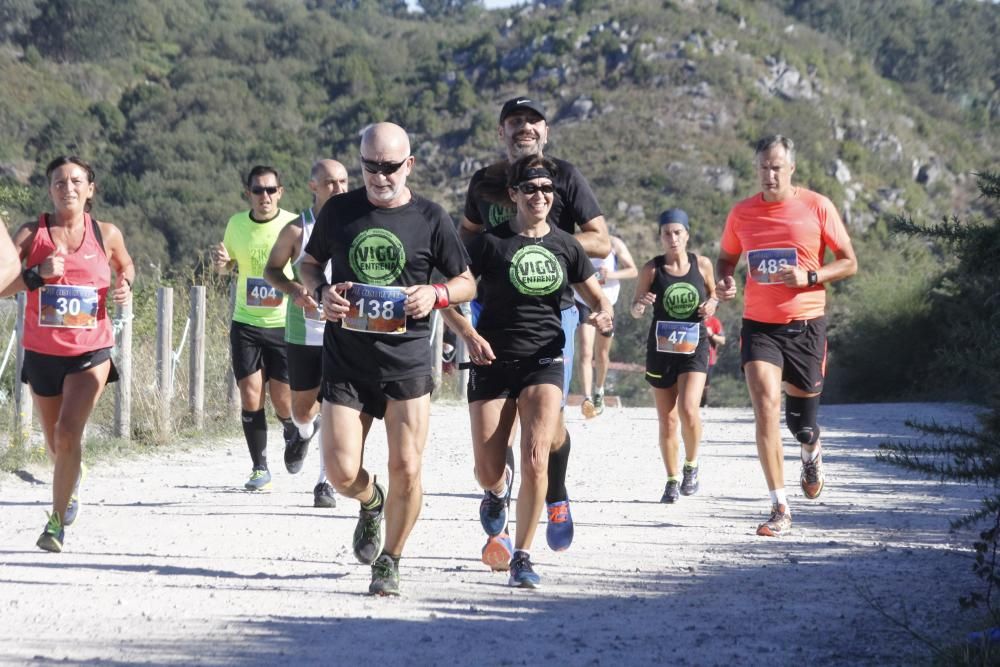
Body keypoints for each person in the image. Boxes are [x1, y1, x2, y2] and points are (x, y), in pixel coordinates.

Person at [299, 122, 475, 596]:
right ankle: (371, 502)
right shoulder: (340, 211)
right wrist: (321, 291)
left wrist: (435, 294)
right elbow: (308, 264)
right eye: (370, 167)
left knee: (408, 467)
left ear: (409, 165)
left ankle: (390, 560)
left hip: (408, 361)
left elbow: (467, 283)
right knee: (338, 473)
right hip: (348, 359)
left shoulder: (431, 218)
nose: (380, 176)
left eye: (390, 167)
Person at [455, 96, 611, 559]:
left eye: (533, 121)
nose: (524, 127)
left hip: (553, 309)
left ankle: (555, 493)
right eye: (515, 121)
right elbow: (466, 236)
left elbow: (601, 240)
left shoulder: (564, 176)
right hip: (490, 313)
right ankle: (497, 488)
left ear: (545, 131)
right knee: (496, 423)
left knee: (547, 425)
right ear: (501, 132)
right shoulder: (484, 182)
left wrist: (543, 241)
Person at [716, 135, 857, 537]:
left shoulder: (817, 206)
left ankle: (811, 451)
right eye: (763, 167)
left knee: (802, 426)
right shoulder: (742, 213)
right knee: (765, 406)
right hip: (760, 326)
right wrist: (726, 279)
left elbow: (849, 262)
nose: (770, 174)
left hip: (807, 326)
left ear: (791, 169)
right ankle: (780, 506)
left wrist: (810, 276)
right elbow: (728, 257)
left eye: (777, 167)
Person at [1, 156, 135, 552]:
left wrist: (125, 283)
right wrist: (35, 274)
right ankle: (71, 477)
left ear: (90, 189)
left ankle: (55, 525)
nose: (68, 188)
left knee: (68, 431)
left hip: (90, 352)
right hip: (42, 354)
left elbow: (125, 265)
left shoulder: (106, 233)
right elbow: (4, 286)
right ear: (49, 190)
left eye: (77, 181)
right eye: (59, 182)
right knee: (55, 443)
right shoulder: (31, 233)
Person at [263, 159, 349, 508]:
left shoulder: (356, 227)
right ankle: (301, 432)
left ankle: (324, 482)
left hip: (343, 330)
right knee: (302, 410)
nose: (340, 189)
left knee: (334, 404)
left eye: (344, 181)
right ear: (314, 186)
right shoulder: (298, 230)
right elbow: (271, 270)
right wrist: (293, 289)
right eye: (331, 183)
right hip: (303, 330)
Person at [212, 166, 299, 491]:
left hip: (283, 323)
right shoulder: (236, 224)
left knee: (282, 400)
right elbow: (229, 265)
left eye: (271, 190)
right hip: (246, 322)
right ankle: (259, 467)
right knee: (250, 395)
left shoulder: (292, 224)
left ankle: (292, 430)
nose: (265, 196)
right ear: (248, 193)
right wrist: (222, 265)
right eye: (258, 190)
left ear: (281, 191)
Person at [630, 209, 717, 503]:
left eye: (677, 232)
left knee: (689, 408)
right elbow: (635, 309)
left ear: (687, 235)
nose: (672, 238)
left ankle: (691, 465)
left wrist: (711, 305)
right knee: (667, 420)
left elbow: (714, 296)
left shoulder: (701, 264)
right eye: (666, 233)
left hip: (695, 345)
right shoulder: (651, 270)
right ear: (660, 237)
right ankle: (671, 479)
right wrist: (640, 304)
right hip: (662, 348)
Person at [576, 233, 637, 418]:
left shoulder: (614, 243)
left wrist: (610, 274)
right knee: (586, 351)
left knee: (601, 354)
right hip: (583, 300)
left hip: (606, 303)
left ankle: (599, 390)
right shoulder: (579, 241)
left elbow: (633, 270)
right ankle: (586, 398)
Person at [701, 314, 725, 407]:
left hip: (709, 358)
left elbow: (722, 341)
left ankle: (703, 403)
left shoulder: (714, 322)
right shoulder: (693, 319)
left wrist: (711, 334)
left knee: (705, 385)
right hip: (693, 357)